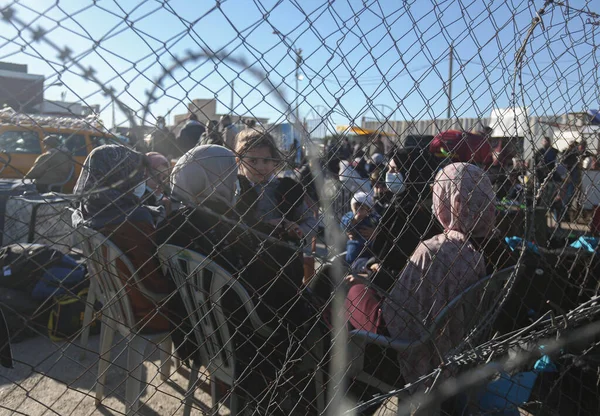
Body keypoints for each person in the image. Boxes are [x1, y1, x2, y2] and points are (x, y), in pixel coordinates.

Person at [157, 145, 318, 411]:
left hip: (193, 332)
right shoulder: (233, 224)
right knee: (306, 307)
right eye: (231, 175)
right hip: (243, 338)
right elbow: (278, 280)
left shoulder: (170, 223)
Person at [345, 163, 496, 388]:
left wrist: (370, 280)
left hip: (405, 341)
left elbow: (397, 307)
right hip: (465, 345)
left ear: (447, 199)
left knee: (353, 290)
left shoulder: (434, 249)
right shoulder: (495, 246)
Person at [72, 145, 172, 332]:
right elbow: (154, 278)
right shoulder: (135, 221)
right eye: (136, 173)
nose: (140, 179)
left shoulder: (88, 209)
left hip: (115, 298)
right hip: (146, 311)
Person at [235, 128, 317, 240]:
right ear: (239, 162)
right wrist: (264, 226)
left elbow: (311, 221)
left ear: (275, 161)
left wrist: (299, 230)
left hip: (283, 252)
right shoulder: (236, 188)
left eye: (266, 160)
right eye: (253, 161)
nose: (260, 167)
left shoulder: (288, 189)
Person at [340, 192, 380, 272]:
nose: (358, 211)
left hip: (370, 246)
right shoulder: (350, 216)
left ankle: (368, 266)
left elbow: (380, 223)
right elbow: (343, 224)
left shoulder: (373, 217)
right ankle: (361, 267)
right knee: (353, 257)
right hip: (356, 244)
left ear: (369, 210)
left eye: (361, 208)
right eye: (355, 208)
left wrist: (377, 230)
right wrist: (354, 221)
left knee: (374, 256)